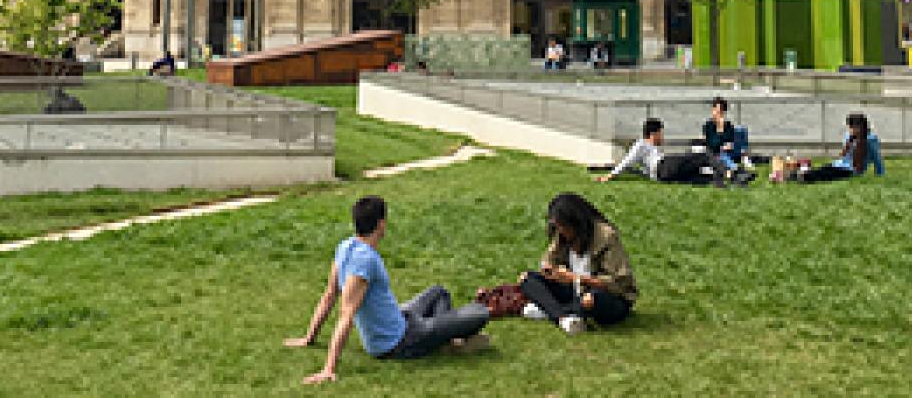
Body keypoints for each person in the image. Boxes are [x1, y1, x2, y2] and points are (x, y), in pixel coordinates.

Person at [286, 195, 490, 385]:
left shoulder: (345, 247)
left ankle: (444, 341)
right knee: (481, 311)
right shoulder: (365, 261)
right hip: (398, 342)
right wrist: (328, 368)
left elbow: (329, 295)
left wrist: (309, 338)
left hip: (401, 319)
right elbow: (346, 314)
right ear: (381, 224)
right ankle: (443, 341)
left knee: (439, 292)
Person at [518, 193, 637, 334]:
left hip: (606, 295)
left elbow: (618, 282)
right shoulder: (561, 234)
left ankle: (551, 309)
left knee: (590, 300)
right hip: (574, 290)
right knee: (526, 278)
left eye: (564, 227)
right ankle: (563, 318)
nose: (561, 231)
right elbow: (549, 260)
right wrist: (550, 270)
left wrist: (575, 278)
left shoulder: (606, 236)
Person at [597, 117, 714, 185]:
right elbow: (627, 161)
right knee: (704, 156)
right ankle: (727, 172)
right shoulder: (641, 144)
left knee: (696, 176)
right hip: (664, 165)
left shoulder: (652, 148)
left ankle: (720, 178)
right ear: (653, 134)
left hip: (663, 175)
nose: (662, 136)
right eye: (660, 133)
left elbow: (640, 168)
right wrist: (610, 176)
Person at [800, 113, 881, 183]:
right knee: (822, 169)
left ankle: (804, 177)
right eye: (850, 126)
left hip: (851, 170)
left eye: (852, 126)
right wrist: (848, 145)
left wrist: (880, 172)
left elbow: (876, 158)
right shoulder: (849, 136)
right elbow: (843, 155)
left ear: (859, 127)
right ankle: (800, 175)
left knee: (825, 175)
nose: (850, 129)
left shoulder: (870, 139)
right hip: (840, 164)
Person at [702, 97, 740, 174]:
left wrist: (730, 145)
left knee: (741, 130)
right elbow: (712, 143)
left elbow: (730, 140)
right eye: (716, 111)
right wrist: (720, 129)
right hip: (714, 153)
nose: (718, 113)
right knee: (721, 156)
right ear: (713, 111)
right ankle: (731, 169)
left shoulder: (729, 126)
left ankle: (731, 168)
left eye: (720, 111)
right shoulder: (709, 125)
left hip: (727, 153)